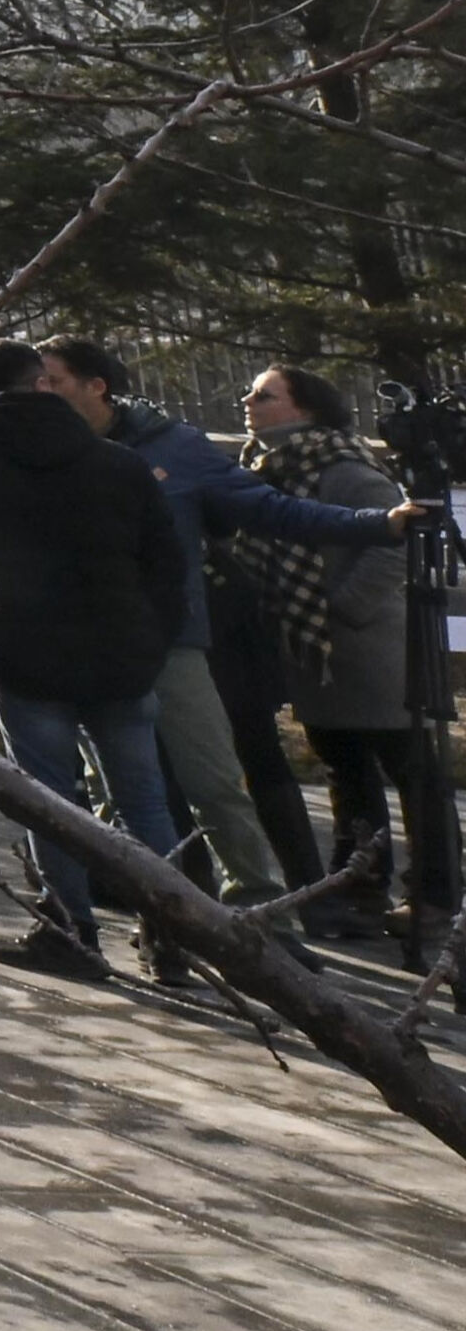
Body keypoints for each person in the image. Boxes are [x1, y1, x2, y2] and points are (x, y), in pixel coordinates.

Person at [54, 335, 393, 925]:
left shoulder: (176, 448)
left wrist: (376, 525)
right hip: (85, 645)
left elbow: (267, 510)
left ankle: (262, 915)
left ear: (95, 385)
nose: (40, 393)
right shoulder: (40, 447)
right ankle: (160, 918)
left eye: (52, 381)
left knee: (219, 780)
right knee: (119, 793)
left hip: (179, 638)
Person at [0, 334, 190, 986]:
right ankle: (174, 934)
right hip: (122, 652)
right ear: (41, 380)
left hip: (27, 652)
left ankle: (70, 931)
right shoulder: (118, 461)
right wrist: (155, 639)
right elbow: (166, 562)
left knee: (48, 799)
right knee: (144, 801)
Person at [223, 364, 417, 939]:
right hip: (316, 653)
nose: (248, 400)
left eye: (264, 394)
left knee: (408, 771)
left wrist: (340, 607)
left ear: (304, 409)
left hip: (366, 649)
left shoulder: (346, 469)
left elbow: (395, 544)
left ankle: (431, 893)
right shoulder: (263, 469)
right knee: (346, 769)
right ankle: (359, 881)